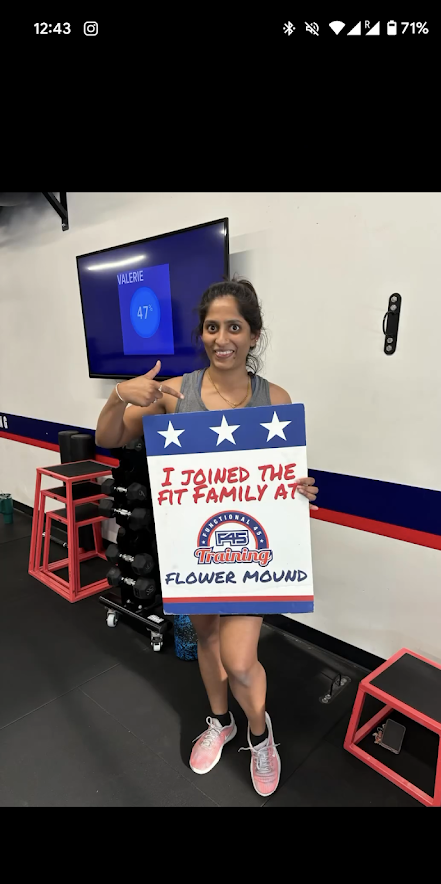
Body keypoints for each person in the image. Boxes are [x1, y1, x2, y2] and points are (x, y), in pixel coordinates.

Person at [96, 278, 319, 797]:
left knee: (240, 660)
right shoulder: (176, 392)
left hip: (249, 554)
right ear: (202, 333)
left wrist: (298, 487)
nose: (222, 338)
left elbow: (279, 475)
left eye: (234, 327)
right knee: (207, 639)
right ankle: (221, 722)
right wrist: (118, 395)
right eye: (212, 327)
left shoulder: (274, 399)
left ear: (253, 335)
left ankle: (260, 734)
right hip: (193, 550)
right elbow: (108, 437)